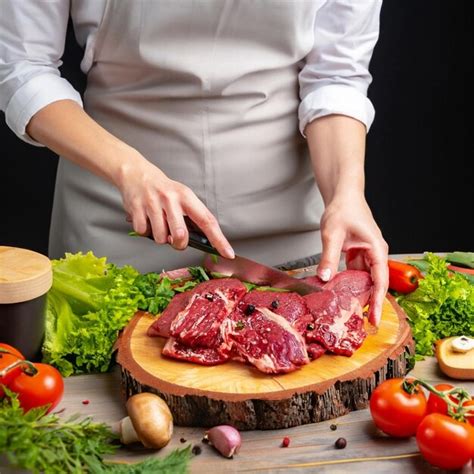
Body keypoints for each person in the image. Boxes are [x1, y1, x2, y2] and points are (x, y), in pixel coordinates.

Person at [0, 1, 387, 325]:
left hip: (291, 241)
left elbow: (335, 77)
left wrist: (347, 192)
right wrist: (129, 170)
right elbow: (22, 69)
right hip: (118, 227)